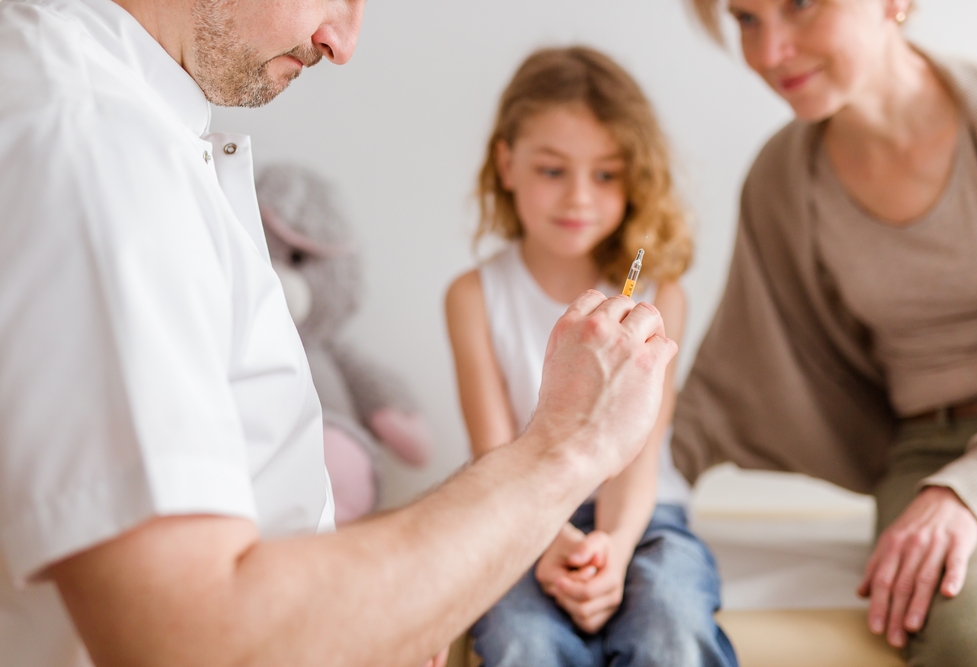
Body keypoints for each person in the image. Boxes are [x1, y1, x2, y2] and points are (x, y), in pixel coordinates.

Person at [0, 1, 680, 665]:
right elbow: (194, 638)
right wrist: (567, 447)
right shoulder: (90, 146)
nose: (343, 42)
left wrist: (379, 613)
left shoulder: (136, 131)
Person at [675, 0, 977, 664]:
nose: (768, 53)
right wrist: (589, 500)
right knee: (971, 641)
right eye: (746, 19)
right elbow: (719, 392)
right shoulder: (781, 183)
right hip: (925, 457)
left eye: (798, 5)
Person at [446, 47, 737, 667]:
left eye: (606, 175)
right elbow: (496, 456)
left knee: (672, 624)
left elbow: (643, 450)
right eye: (553, 170)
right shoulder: (474, 297)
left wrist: (617, 544)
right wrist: (549, 538)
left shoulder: (660, 296)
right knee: (520, 637)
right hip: (518, 509)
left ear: (634, 179)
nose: (579, 197)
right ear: (506, 163)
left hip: (644, 511)